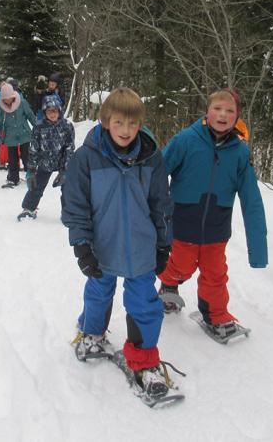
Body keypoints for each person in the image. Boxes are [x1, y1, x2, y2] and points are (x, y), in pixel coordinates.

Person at [61, 87, 176, 400]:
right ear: (105, 121)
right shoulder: (86, 158)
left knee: (145, 304)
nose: (126, 131)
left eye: (132, 124)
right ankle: (92, 333)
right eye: (118, 123)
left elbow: (161, 203)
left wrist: (164, 244)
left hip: (141, 247)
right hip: (102, 244)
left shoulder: (151, 158)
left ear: (140, 124)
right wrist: (81, 244)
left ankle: (145, 361)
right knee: (99, 292)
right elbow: (75, 203)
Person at [157, 87, 267, 341]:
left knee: (216, 274)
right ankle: (168, 285)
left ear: (237, 116)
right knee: (181, 266)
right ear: (207, 111)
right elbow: (158, 174)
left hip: (217, 228)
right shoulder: (186, 140)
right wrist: (154, 212)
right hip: (183, 223)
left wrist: (258, 250)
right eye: (217, 108)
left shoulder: (240, 152)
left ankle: (216, 316)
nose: (222, 114)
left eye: (229, 111)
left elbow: (252, 200)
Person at [17, 95, 75, 220]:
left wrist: (65, 170)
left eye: (55, 110)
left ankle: (69, 213)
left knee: (68, 188)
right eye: (49, 111)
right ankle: (29, 208)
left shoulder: (67, 126)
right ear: (44, 112)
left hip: (62, 162)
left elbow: (70, 148)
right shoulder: (39, 127)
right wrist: (31, 171)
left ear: (59, 110)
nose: (52, 114)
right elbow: (34, 149)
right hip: (45, 162)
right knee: (36, 186)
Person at [0, 82, 36, 188]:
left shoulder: (22, 102)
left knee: (27, 157)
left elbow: (30, 116)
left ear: (13, 95)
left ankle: (32, 176)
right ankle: (13, 178)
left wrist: (38, 128)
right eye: (5, 98)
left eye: (9, 98)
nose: (7, 100)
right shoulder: (0, 106)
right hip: (10, 136)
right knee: (12, 159)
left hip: (24, 134)